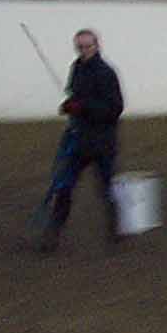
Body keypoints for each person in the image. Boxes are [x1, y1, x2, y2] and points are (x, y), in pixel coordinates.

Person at [37, 28, 125, 253]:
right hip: (79, 141)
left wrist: (82, 107)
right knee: (64, 187)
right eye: (80, 47)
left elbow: (114, 108)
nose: (84, 51)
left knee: (107, 188)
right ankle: (53, 233)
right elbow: (74, 96)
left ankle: (116, 230)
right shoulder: (76, 69)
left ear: (97, 46)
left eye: (88, 46)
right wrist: (69, 106)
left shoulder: (107, 73)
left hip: (102, 143)